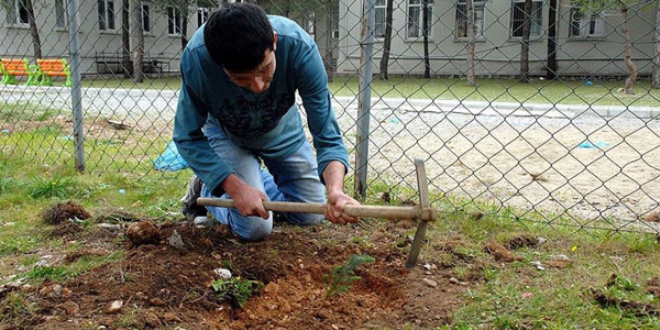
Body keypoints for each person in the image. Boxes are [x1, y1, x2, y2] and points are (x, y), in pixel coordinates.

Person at [173, 2, 359, 241]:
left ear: (273, 41)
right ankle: (207, 187)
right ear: (220, 66)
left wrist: (336, 190)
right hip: (227, 135)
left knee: (311, 214)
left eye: (265, 69)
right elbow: (186, 136)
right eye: (241, 79)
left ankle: (252, 181)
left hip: (281, 130)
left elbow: (327, 133)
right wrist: (234, 187)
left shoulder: (299, 47)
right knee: (254, 228)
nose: (259, 86)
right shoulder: (197, 60)